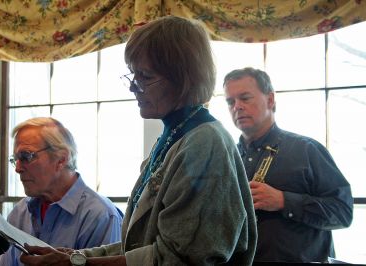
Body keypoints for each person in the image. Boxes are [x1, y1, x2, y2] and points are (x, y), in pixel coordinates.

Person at [19, 15, 257, 266]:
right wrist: (77, 256)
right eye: (133, 75)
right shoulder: (175, 136)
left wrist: (78, 263)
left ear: (182, 78)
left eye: (144, 76)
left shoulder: (204, 143)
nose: (133, 87)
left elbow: (181, 259)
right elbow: (141, 245)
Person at [223, 67, 353, 263]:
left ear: (270, 100)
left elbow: (343, 212)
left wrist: (283, 201)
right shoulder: (225, 158)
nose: (237, 107)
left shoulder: (308, 150)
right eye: (230, 102)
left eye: (245, 98)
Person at [0, 117, 123, 266]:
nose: (17, 169)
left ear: (61, 159)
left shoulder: (101, 216)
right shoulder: (19, 213)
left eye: (26, 157)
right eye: (15, 159)